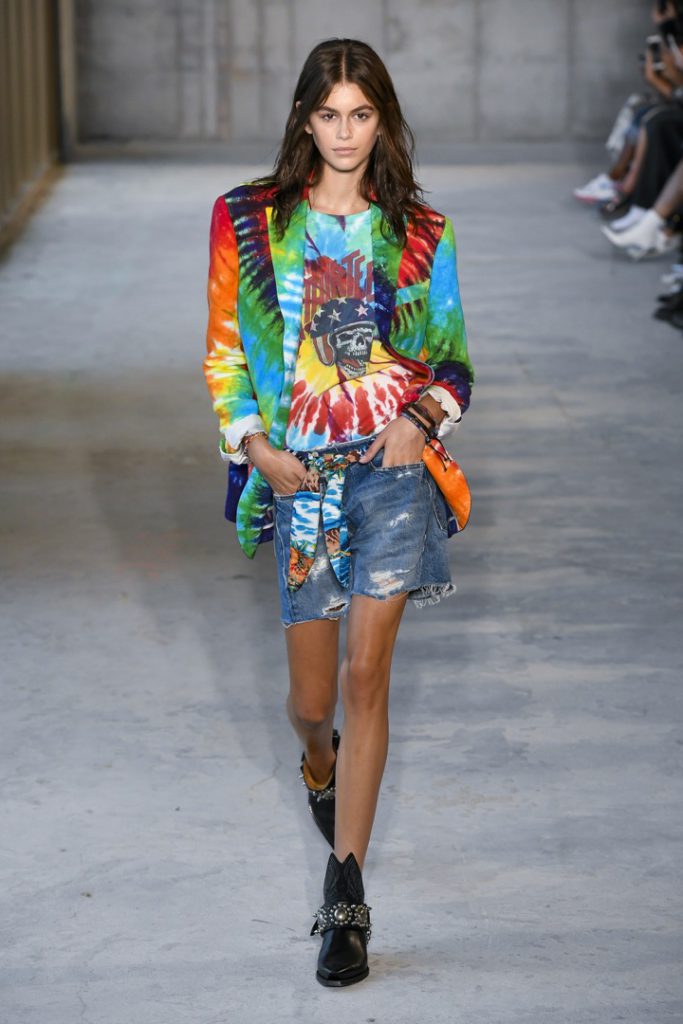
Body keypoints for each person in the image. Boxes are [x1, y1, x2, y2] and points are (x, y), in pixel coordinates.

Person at [203, 37, 474, 987]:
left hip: (390, 475)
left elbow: (452, 362)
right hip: (298, 481)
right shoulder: (248, 220)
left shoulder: (421, 230)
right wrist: (255, 448)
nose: (346, 133)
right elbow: (225, 352)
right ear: (304, 119)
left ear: (382, 120)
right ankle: (317, 763)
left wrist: (418, 420)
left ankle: (345, 896)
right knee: (313, 704)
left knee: (366, 678)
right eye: (329, 115)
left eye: (361, 115)